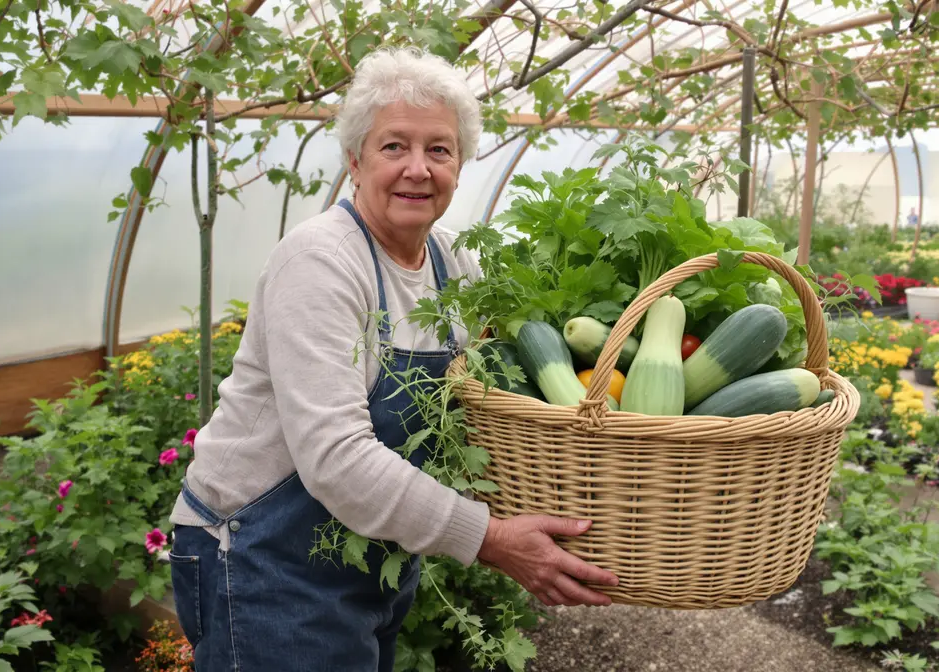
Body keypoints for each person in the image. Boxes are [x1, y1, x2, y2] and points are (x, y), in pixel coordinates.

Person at [167, 46, 619, 671]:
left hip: (374, 551)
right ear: (355, 160)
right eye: (393, 147)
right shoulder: (322, 262)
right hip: (260, 557)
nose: (418, 169)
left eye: (439, 149)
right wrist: (491, 539)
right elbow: (334, 457)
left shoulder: (454, 261)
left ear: (460, 164)